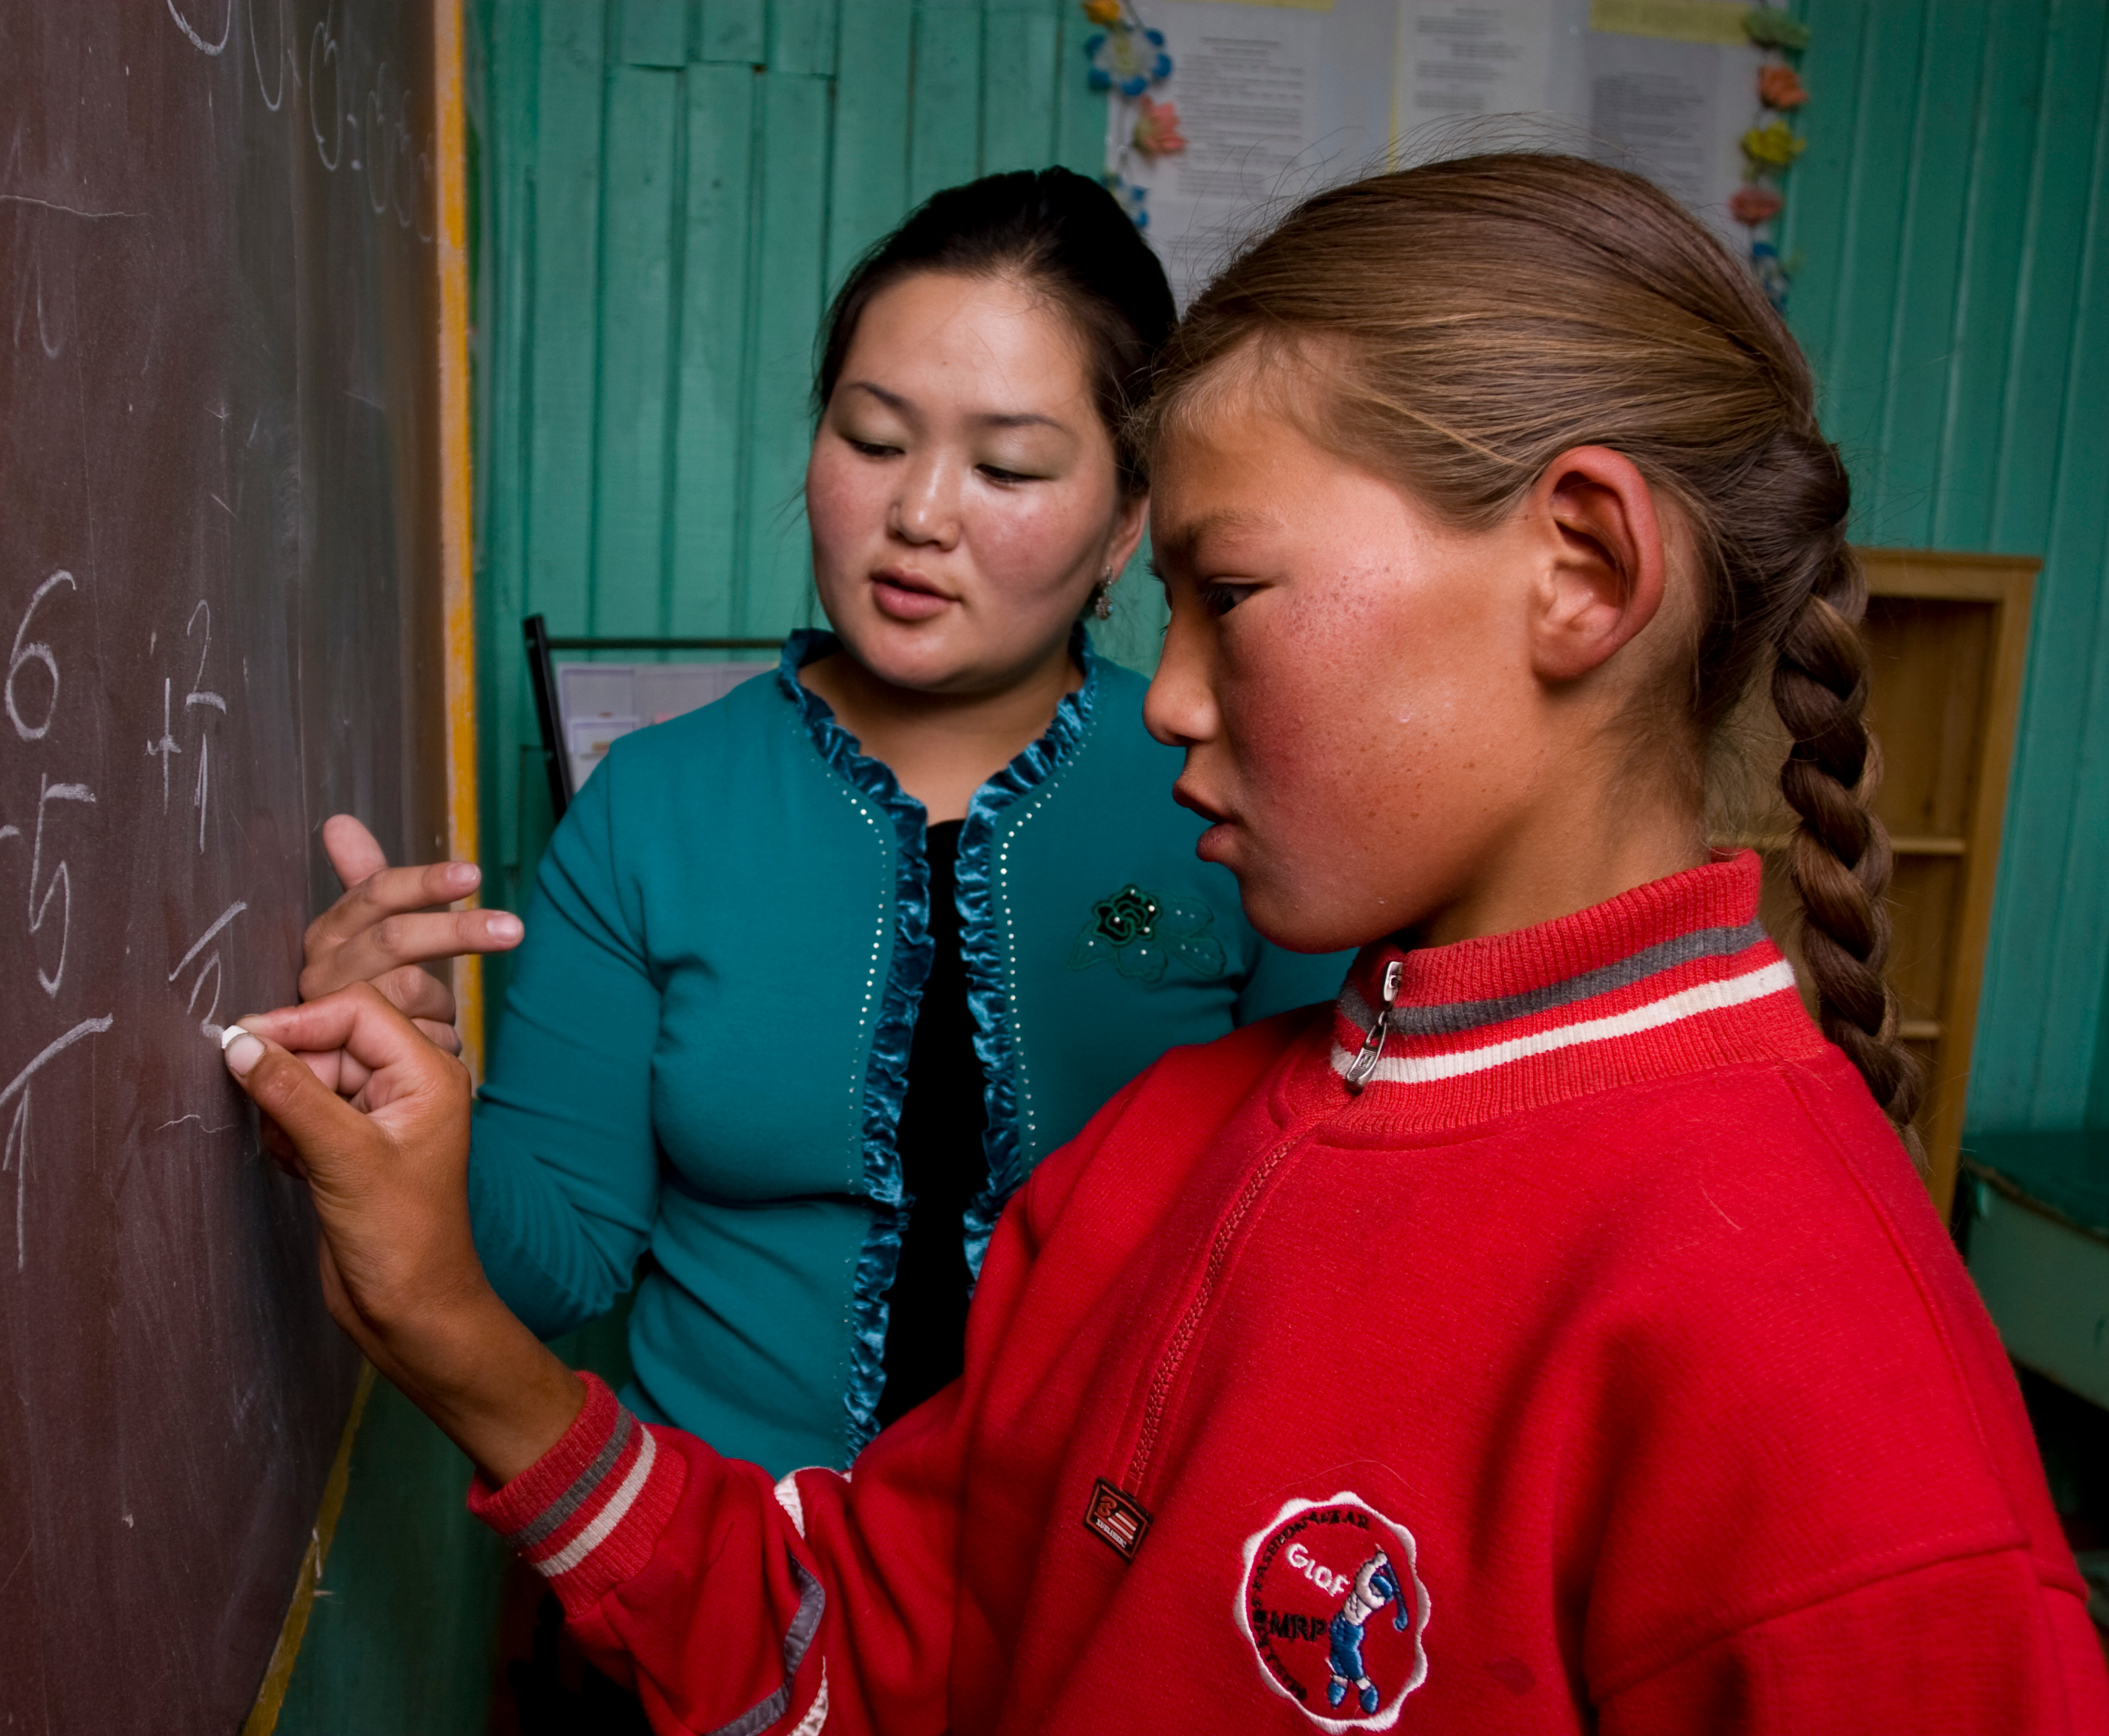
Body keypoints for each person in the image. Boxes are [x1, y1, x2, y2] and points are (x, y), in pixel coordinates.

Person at [228, 153, 2109, 1732]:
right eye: (871, 434)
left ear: (1585, 573)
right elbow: (871, 1639)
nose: (1163, 699)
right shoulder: (1172, 1159)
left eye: (1230, 592)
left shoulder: (1810, 1357)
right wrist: (453, 1308)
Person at [302, 167, 1347, 1477]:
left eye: (1009, 464)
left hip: (1116, 1587)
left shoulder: (1234, 795)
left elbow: (1322, 1243)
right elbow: (551, 1263)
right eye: (871, 438)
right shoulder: (657, 810)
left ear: (1127, 524)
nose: (918, 514)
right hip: (731, 1581)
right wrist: (413, 1096)